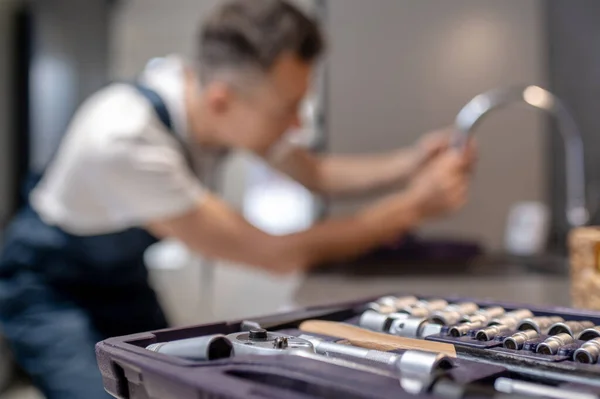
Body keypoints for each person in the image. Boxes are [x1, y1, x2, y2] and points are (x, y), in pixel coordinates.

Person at [0, 0, 476, 398]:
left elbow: (317, 173)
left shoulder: (215, 98)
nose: (295, 126)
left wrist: (412, 161)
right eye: (287, 110)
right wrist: (413, 206)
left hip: (120, 275)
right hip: (46, 284)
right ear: (223, 101)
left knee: (169, 383)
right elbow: (274, 254)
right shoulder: (125, 140)